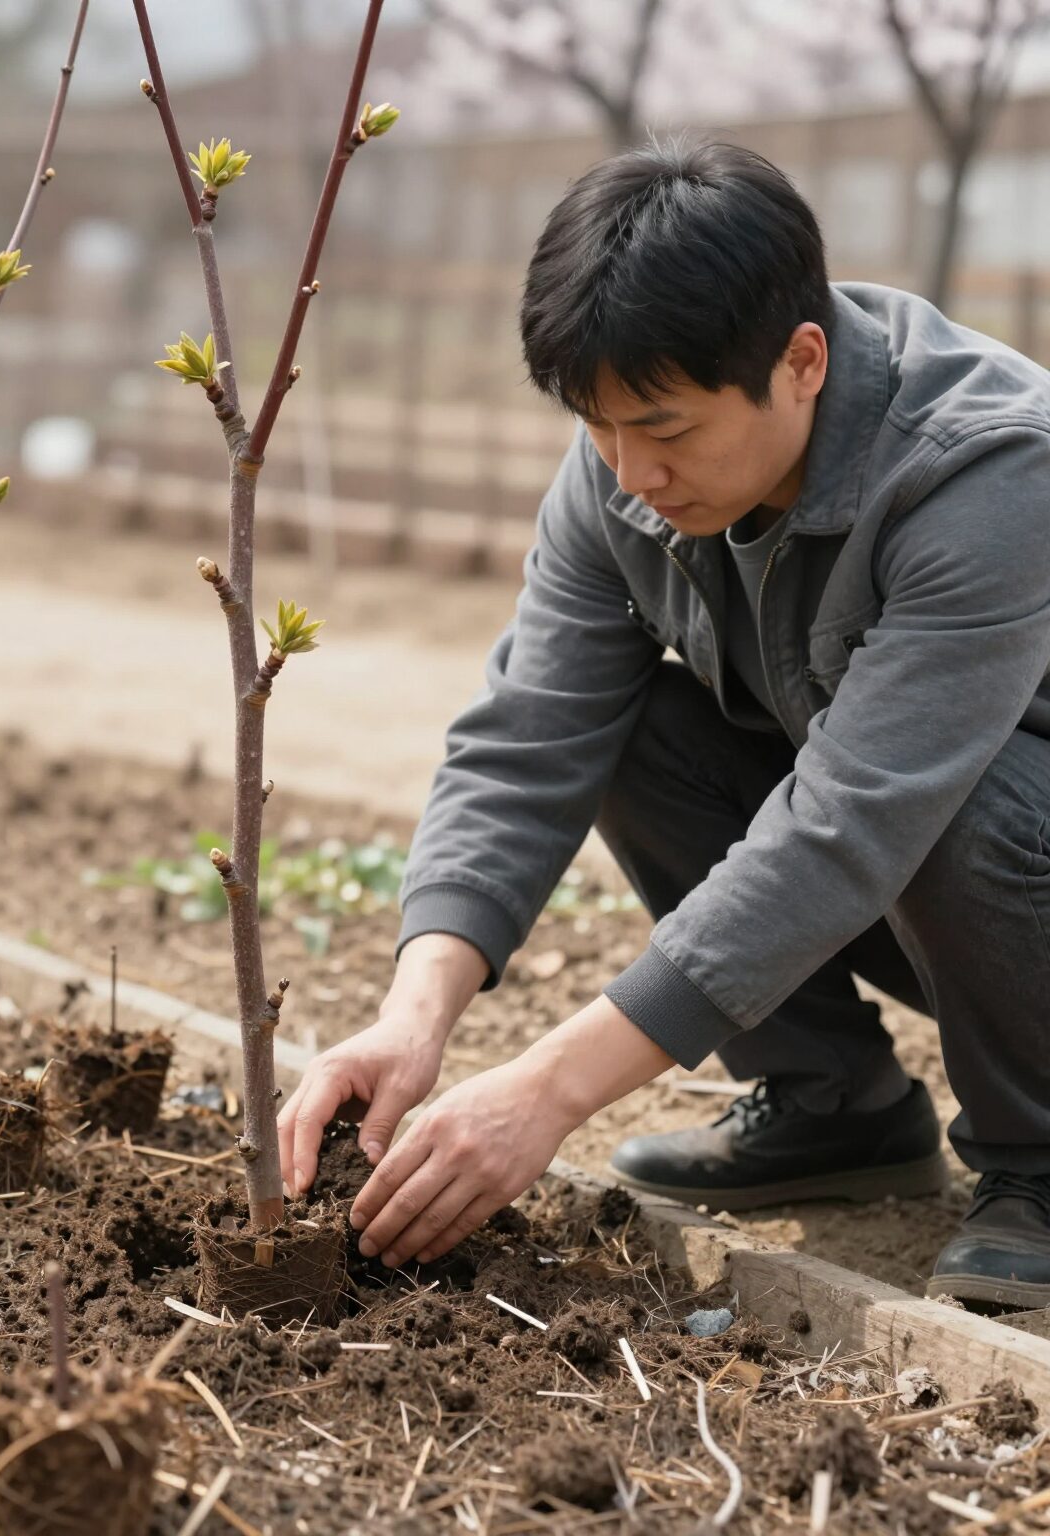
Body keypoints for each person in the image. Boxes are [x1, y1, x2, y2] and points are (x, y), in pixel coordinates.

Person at [276, 137, 1050, 1309]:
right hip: (933, 891)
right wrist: (414, 1013)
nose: (630, 473)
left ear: (801, 363)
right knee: (625, 718)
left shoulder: (989, 471)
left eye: (668, 429)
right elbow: (531, 732)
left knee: (954, 789)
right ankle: (833, 1103)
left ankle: (1038, 1165)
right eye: (598, 427)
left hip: (989, 859)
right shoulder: (623, 478)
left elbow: (857, 819)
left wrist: (549, 1086)